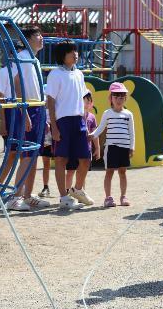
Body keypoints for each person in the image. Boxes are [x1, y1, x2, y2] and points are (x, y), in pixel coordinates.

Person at [46, 39, 94, 209]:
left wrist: (86, 123)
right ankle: (64, 197)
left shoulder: (79, 74)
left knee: (86, 158)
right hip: (62, 121)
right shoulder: (55, 74)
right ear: (62, 55)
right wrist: (54, 126)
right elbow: (50, 102)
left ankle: (78, 189)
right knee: (61, 159)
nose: (75, 54)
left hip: (79, 121)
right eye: (70, 51)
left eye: (76, 50)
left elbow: (83, 100)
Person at [7, 26, 50, 211]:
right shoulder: (23, 57)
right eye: (37, 35)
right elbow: (16, 83)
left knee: (34, 155)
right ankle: (14, 197)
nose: (41, 38)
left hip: (38, 108)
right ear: (27, 39)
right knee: (26, 154)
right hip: (27, 107)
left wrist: (44, 115)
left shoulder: (34, 59)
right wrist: (24, 112)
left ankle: (27, 196)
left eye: (41, 34)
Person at [91, 82, 135, 207]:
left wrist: (132, 147)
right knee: (109, 172)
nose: (119, 99)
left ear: (125, 98)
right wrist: (92, 135)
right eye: (116, 96)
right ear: (111, 98)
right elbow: (100, 128)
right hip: (111, 148)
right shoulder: (107, 113)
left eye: (122, 96)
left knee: (123, 172)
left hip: (124, 148)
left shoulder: (128, 114)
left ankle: (123, 196)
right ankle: (108, 198)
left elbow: (132, 132)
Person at [65, 91, 100, 199]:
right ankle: (67, 192)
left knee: (82, 172)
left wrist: (97, 148)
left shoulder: (92, 117)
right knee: (70, 171)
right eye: (83, 101)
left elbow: (95, 133)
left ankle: (80, 193)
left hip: (86, 149)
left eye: (88, 101)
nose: (85, 104)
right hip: (73, 149)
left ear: (91, 104)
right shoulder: (74, 116)